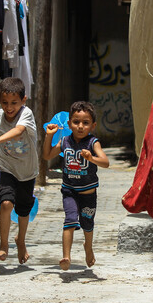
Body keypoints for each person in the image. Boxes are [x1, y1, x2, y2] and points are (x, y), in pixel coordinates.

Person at [42, 101, 109, 270]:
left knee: (87, 223)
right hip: (69, 190)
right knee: (70, 220)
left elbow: (106, 162)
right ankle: (66, 256)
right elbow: (47, 155)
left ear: (92, 126)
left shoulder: (93, 143)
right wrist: (49, 135)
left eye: (85, 123)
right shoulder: (65, 141)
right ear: (69, 124)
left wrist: (91, 158)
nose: (80, 126)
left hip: (88, 193)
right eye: (76, 122)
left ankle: (88, 246)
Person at [0, 77, 38, 264]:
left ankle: (20, 240)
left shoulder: (26, 114)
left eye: (14, 103)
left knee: (23, 210)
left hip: (27, 170)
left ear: (23, 100)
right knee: (6, 203)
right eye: (5, 103)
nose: (9, 107)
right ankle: (3, 245)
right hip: (6, 166)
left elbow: (19, 130)